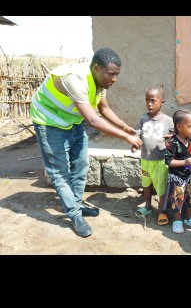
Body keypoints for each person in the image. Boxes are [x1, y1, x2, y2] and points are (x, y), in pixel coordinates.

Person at [30, 47, 143, 238]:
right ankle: (74, 214)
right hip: (49, 122)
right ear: (97, 68)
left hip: (70, 121)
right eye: (111, 74)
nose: (114, 79)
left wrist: (125, 127)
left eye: (117, 74)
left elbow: (103, 108)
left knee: (81, 164)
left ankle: (76, 203)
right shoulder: (75, 79)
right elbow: (93, 120)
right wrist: (126, 137)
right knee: (59, 173)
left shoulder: (100, 82)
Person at [131, 85, 174, 226]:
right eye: (147, 100)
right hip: (145, 160)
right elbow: (137, 134)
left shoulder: (167, 121)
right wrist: (134, 144)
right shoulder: (143, 119)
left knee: (161, 187)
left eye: (153, 100)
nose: (149, 104)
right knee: (146, 184)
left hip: (159, 161)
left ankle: (162, 211)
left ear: (162, 102)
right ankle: (148, 206)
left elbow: (175, 136)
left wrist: (171, 138)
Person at [164, 109, 191, 234]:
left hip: (189, 176)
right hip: (177, 177)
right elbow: (168, 161)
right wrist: (184, 162)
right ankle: (177, 220)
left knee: (190, 198)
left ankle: (189, 218)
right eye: (190, 126)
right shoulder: (172, 143)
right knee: (177, 200)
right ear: (179, 127)